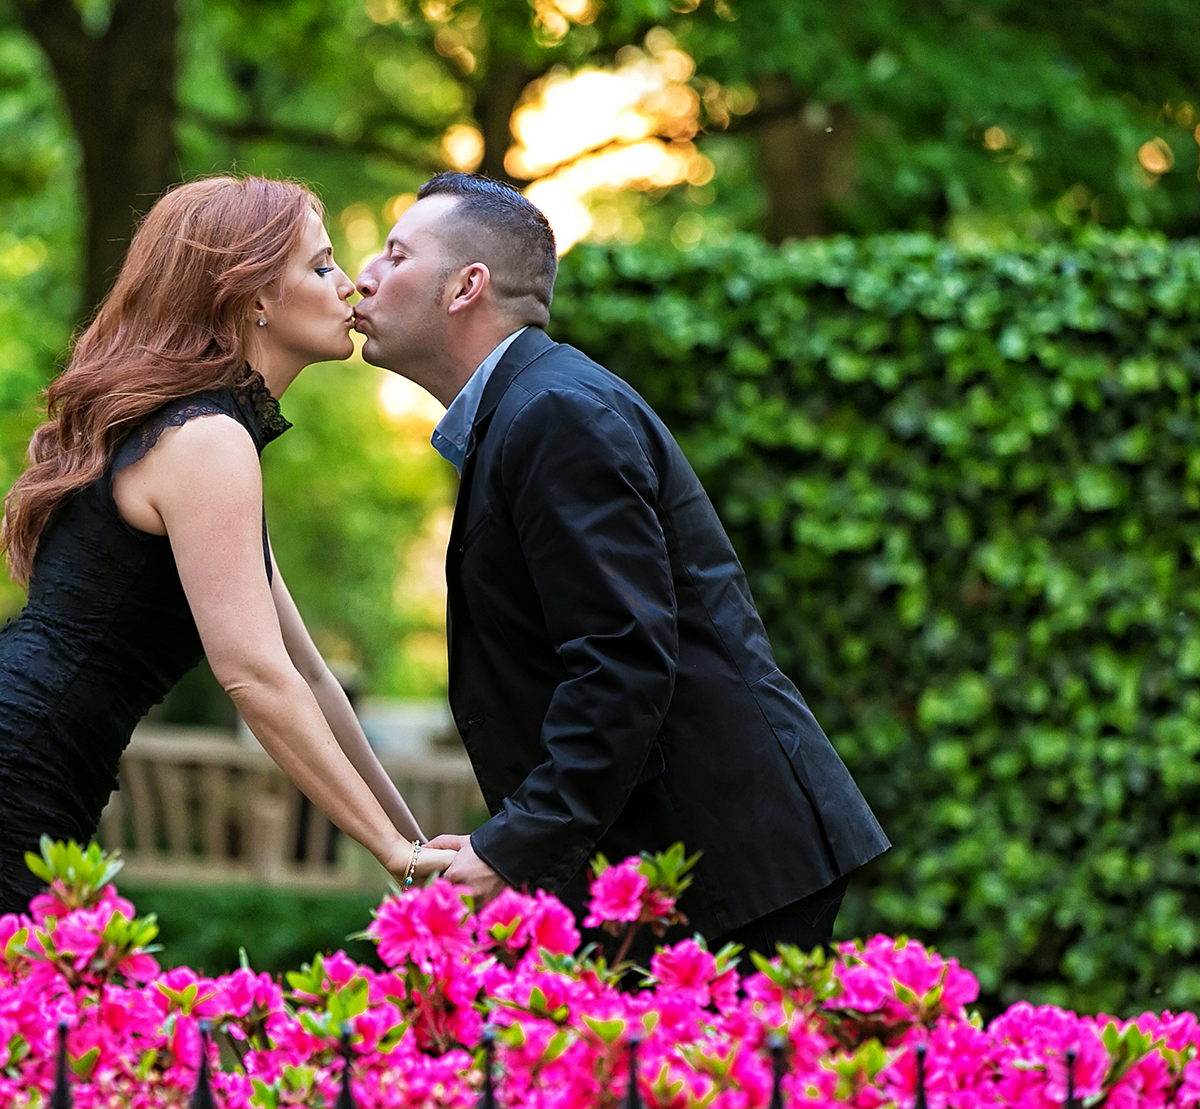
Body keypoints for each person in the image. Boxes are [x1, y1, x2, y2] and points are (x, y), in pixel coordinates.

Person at [351, 173, 889, 955]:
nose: (364, 275)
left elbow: (622, 661)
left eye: (397, 255)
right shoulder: (530, 409)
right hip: (684, 867)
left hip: (721, 870)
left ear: (467, 287)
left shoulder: (553, 414)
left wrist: (512, 846)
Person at [0, 175, 443, 920]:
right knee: (17, 1027)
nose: (349, 286)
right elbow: (252, 674)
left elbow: (306, 673)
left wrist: (416, 847)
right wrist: (393, 856)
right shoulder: (208, 440)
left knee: (17, 1023)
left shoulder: (200, 435)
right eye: (321, 265)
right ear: (254, 299)